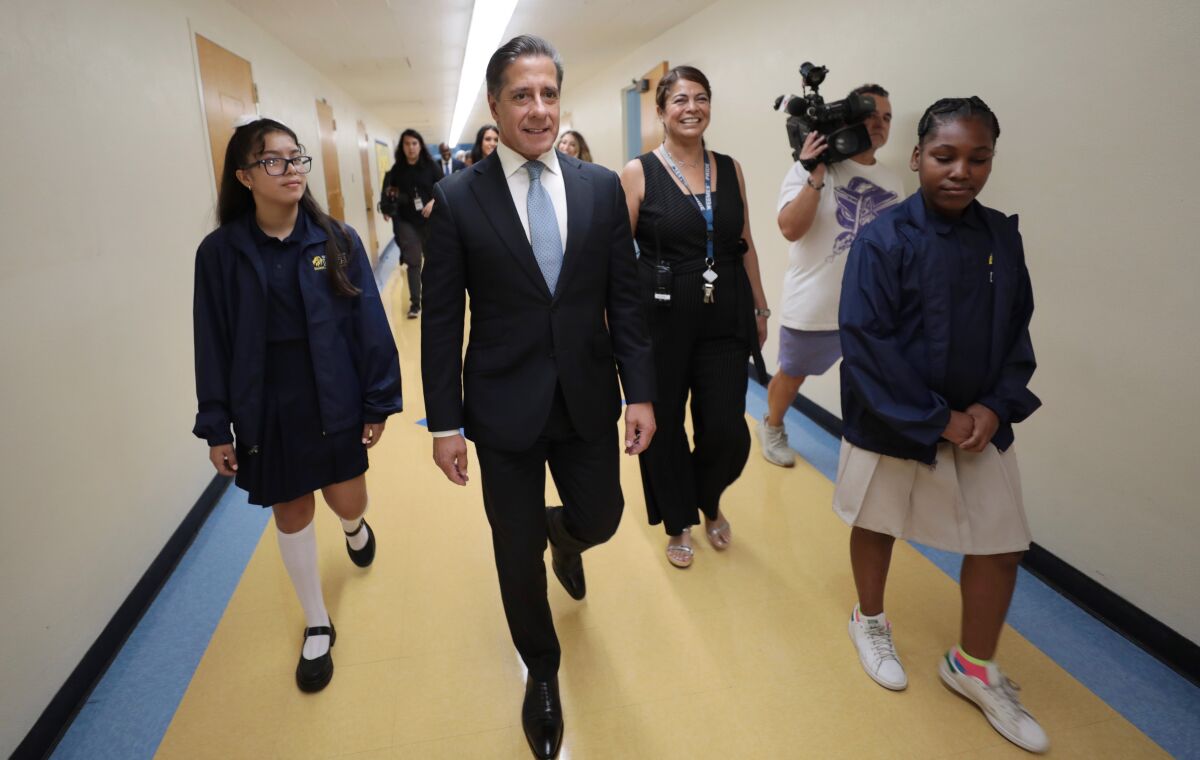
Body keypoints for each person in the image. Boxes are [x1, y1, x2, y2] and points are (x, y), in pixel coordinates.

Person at [421, 35, 655, 760]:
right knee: (511, 548)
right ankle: (543, 672)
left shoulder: (596, 188)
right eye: (521, 95)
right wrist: (445, 423)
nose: (538, 108)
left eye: (549, 93)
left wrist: (641, 393)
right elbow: (441, 318)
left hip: (586, 393)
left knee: (604, 516)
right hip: (501, 405)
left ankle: (567, 535)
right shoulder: (459, 199)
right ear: (495, 105)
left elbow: (625, 297)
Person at [836, 97, 1048, 753]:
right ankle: (869, 619)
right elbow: (866, 341)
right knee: (877, 521)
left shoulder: (1000, 238)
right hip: (896, 415)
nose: (961, 171)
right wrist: (936, 419)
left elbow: (1017, 329)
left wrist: (995, 405)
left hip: (980, 419)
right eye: (945, 156)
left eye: (977, 158)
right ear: (917, 157)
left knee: (1002, 544)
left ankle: (972, 665)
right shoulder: (884, 238)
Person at [192, 117, 402, 693]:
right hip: (266, 403)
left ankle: (356, 528)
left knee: (346, 498)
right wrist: (217, 425)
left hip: (332, 391)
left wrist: (377, 401)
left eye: (296, 158)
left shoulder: (335, 239)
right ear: (245, 176)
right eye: (273, 161)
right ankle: (316, 620)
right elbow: (210, 340)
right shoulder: (220, 254)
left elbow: (368, 325)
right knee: (292, 509)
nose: (290, 170)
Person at [619, 66, 769, 569]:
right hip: (659, 319)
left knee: (725, 427)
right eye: (679, 99)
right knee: (665, 426)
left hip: (725, 315)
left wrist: (760, 305)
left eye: (701, 98)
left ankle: (711, 498)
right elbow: (618, 258)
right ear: (660, 111)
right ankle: (681, 519)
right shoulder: (639, 172)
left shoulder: (729, 167)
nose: (691, 108)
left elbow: (743, 241)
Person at [758, 84, 904, 467]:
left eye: (887, 118)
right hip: (815, 300)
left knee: (867, 381)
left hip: (868, 307)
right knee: (792, 374)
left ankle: (862, 444)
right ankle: (772, 425)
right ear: (851, 119)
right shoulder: (809, 167)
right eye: (871, 116)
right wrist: (815, 174)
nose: (880, 124)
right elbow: (790, 229)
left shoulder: (893, 181)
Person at [381, 128, 441, 319]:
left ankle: (435, 299)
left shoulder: (431, 167)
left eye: (414, 143)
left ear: (420, 146)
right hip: (406, 222)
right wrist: (388, 207)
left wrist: (433, 201)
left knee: (433, 261)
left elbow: (444, 189)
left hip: (430, 221)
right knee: (413, 262)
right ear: (402, 147)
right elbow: (389, 193)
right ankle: (416, 303)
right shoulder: (397, 170)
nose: (411, 148)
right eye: (407, 144)